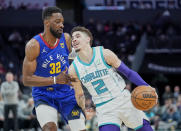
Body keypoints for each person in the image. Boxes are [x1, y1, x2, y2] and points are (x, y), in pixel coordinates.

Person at [69, 26, 157, 131]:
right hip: (104, 108)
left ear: (88, 39)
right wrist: (84, 109)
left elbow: (128, 73)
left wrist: (148, 87)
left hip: (123, 98)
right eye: (72, 37)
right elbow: (79, 94)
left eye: (78, 36)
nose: (74, 39)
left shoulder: (105, 53)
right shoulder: (73, 69)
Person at [22, 7, 86, 131]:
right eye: (57, 22)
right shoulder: (34, 45)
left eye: (62, 22)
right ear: (47, 23)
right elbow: (26, 79)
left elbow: (73, 58)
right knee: (50, 128)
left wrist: (75, 72)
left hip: (67, 94)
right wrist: (55, 79)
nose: (61, 25)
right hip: (44, 95)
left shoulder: (66, 38)